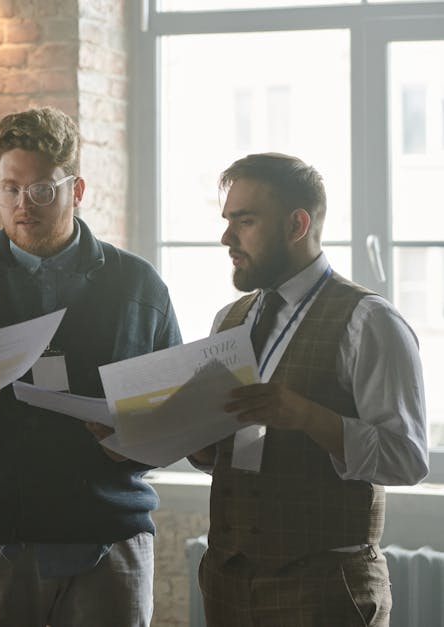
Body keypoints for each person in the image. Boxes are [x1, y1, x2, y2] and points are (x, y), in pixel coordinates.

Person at [0, 106, 182, 627]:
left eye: (40, 190)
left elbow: (175, 415)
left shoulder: (138, 286)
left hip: (110, 530)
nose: (22, 206)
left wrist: (136, 435)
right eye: (9, 189)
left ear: (76, 191)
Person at [190, 153, 429, 626]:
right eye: (227, 221)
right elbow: (229, 451)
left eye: (245, 221)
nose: (226, 238)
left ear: (297, 224)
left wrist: (305, 416)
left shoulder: (370, 321)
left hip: (326, 589)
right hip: (227, 583)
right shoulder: (228, 321)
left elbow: (407, 458)